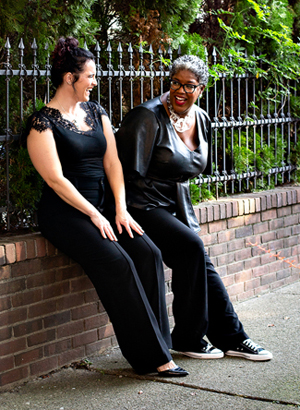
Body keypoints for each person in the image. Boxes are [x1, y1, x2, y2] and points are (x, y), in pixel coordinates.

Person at [25, 37, 189, 377]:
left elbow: (113, 163)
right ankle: (150, 359)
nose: (95, 82)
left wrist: (119, 208)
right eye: (90, 76)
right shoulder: (42, 124)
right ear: (70, 77)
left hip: (103, 207)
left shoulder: (96, 112)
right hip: (66, 213)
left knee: (148, 253)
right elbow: (56, 180)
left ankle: (159, 342)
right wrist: (93, 213)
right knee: (118, 262)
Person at [116, 54, 273, 361]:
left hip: (175, 205)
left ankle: (233, 337)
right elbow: (123, 174)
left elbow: (192, 168)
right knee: (191, 246)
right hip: (141, 204)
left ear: (201, 89)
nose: (180, 90)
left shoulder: (200, 118)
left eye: (189, 85)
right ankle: (187, 337)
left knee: (201, 261)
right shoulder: (146, 117)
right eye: (175, 82)